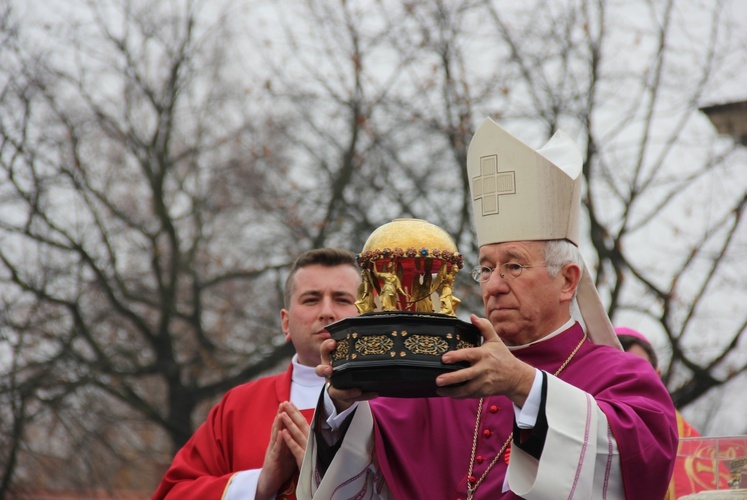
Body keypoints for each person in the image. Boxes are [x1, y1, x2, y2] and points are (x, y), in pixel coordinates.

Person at [297, 118, 678, 499]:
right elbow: (362, 473)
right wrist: (341, 402)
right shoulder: (441, 375)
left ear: (567, 281)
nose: (493, 286)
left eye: (514, 265)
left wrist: (523, 385)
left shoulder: (622, 375)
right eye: (485, 268)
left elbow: (638, 460)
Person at [153, 248, 361, 499]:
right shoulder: (238, 408)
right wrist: (259, 485)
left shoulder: (399, 405)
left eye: (342, 299)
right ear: (286, 323)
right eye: (311, 299)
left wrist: (330, 475)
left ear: (366, 316)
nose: (327, 311)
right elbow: (173, 493)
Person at [616, 326, 728, 498]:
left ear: (657, 376)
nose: (627, 380)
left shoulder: (696, 452)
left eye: (637, 370)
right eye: (616, 370)